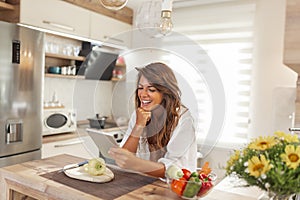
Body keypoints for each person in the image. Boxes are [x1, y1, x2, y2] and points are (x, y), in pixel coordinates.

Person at [108, 62, 197, 178]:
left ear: (165, 92)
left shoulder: (183, 119)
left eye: (151, 89)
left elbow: (175, 169)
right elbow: (125, 158)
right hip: (145, 185)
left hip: (174, 188)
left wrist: (136, 164)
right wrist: (138, 126)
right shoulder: (139, 115)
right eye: (140, 88)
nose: (143, 94)